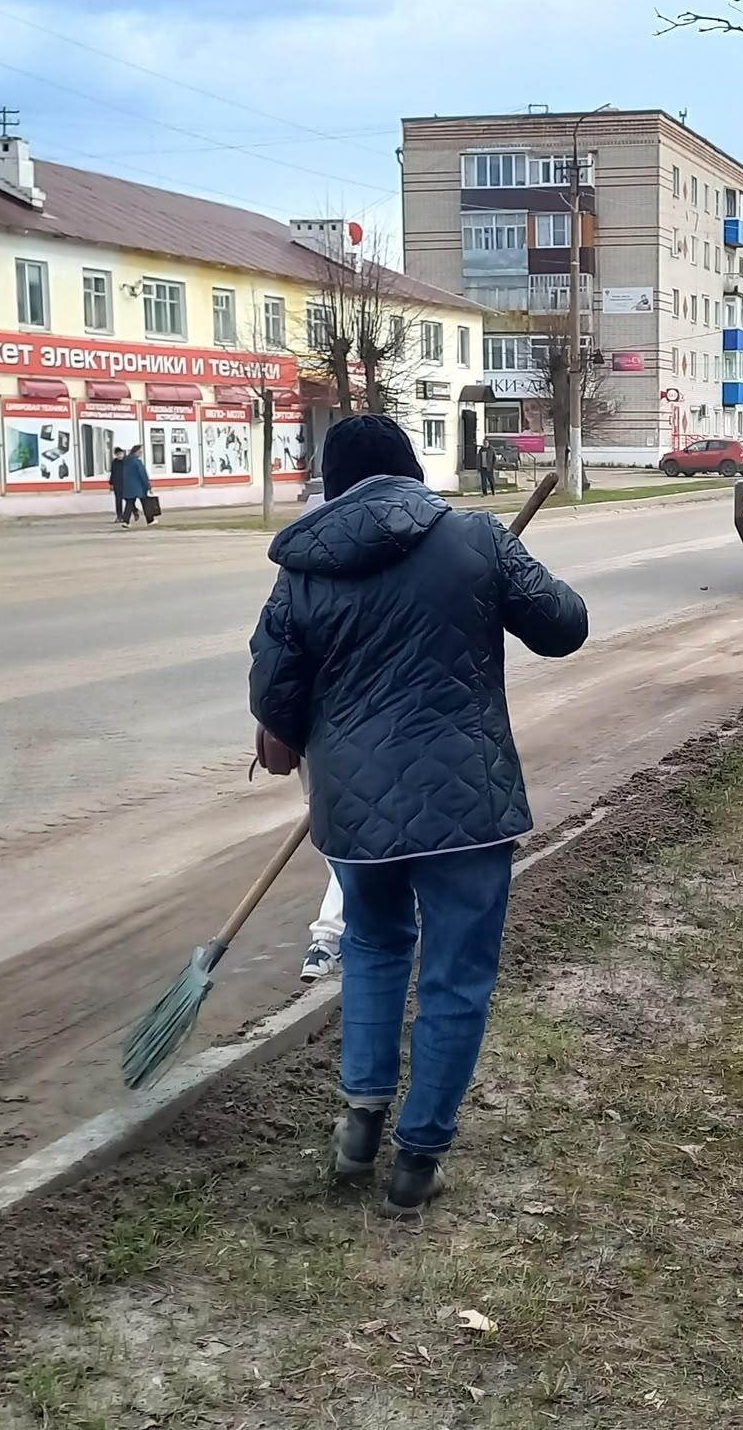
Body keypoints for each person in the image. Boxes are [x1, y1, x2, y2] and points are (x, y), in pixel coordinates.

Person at [250, 413, 588, 1217]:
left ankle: (361, 1122)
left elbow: (273, 698)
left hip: (355, 811)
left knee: (371, 946)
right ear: (412, 473)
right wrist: (496, 571)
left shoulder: (302, 569)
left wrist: (297, 735)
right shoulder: (474, 540)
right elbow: (566, 626)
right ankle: (418, 1161)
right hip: (467, 803)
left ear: (332, 485)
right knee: (456, 975)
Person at [113, 445, 151, 526]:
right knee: (145, 503)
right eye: (140, 451)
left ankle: (126, 521)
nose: (141, 453)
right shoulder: (137, 462)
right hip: (138, 486)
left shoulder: (126, 461)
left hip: (128, 486)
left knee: (129, 503)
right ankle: (150, 520)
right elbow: (143, 475)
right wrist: (147, 485)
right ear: (136, 452)